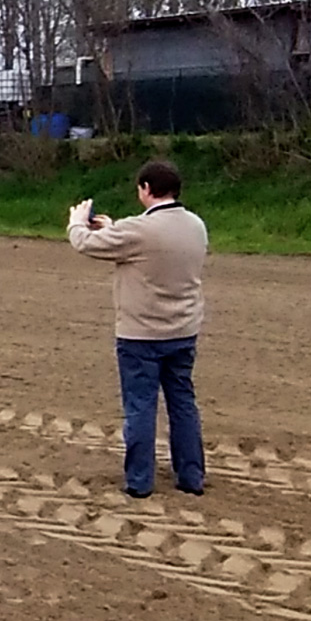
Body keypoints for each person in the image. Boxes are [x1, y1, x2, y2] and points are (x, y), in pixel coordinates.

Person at [67, 160, 210, 499]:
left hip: (141, 335)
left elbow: (86, 244)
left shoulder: (139, 230)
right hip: (183, 330)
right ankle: (191, 475)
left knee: (140, 406)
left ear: (146, 189)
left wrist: (76, 222)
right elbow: (148, 246)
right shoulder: (196, 225)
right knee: (183, 403)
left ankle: (140, 480)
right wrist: (113, 228)